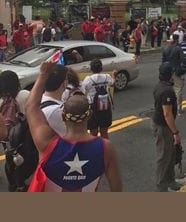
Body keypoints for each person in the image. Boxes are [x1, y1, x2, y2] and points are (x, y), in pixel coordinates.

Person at [25, 62, 122, 192]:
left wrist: (43, 75)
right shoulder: (105, 147)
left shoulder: (46, 142)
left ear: (64, 116)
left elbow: (31, 107)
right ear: (89, 115)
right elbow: (117, 189)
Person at [152, 62, 182, 192]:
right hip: (163, 126)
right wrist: (175, 132)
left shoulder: (160, 86)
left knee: (171, 153)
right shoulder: (167, 91)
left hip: (161, 124)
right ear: (171, 75)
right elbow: (167, 114)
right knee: (164, 155)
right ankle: (161, 185)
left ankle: (171, 180)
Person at [81, 59, 114, 139]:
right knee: (104, 132)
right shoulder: (107, 77)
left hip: (92, 106)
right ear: (101, 68)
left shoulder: (88, 79)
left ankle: (94, 149)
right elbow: (112, 82)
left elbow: (83, 90)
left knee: (93, 133)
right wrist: (113, 74)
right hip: (105, 105)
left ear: (91, 68)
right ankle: (105, 148)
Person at [162, 34, 185, 114]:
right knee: (178, 89)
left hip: (167, 72)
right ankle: (179, 108)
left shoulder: (166, 49)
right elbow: (183, 60)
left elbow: (163, 61)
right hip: (176, 71)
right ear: (177, 40)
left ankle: (169, 106)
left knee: (169, 89)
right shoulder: (178, 49)